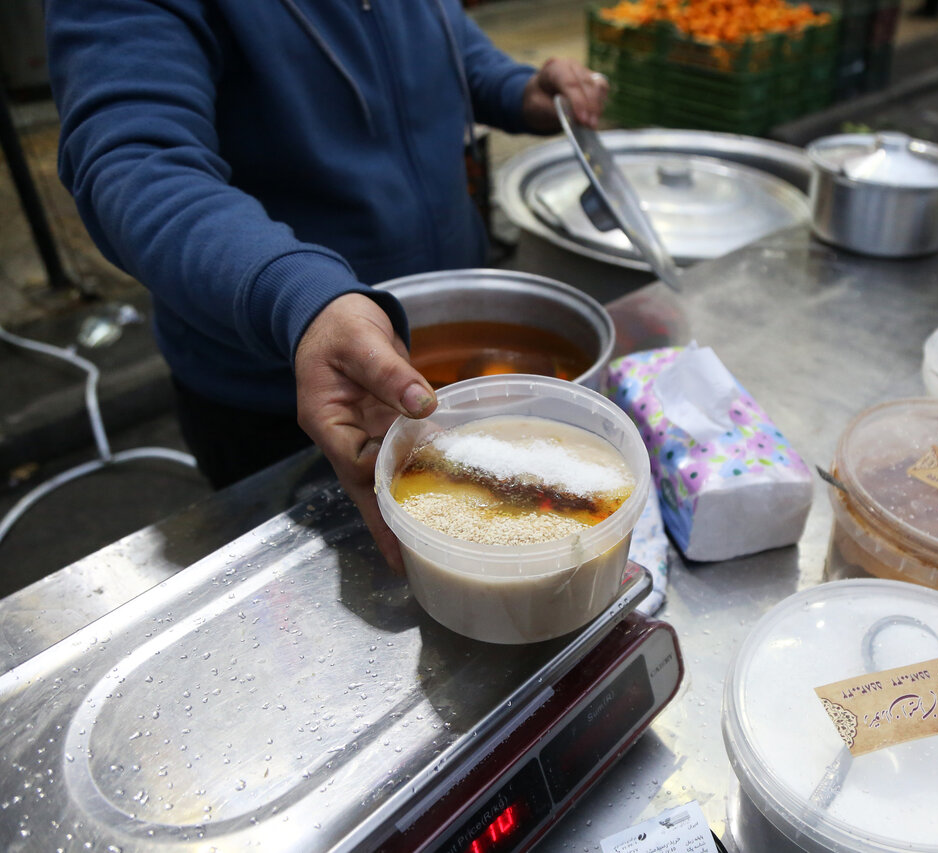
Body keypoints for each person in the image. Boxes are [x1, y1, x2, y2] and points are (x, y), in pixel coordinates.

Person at [45, 0, 609, 573]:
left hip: (441, 361)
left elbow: (440, 42)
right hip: (292, 395)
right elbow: (135, 162)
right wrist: (299, 296)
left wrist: (516, 90)